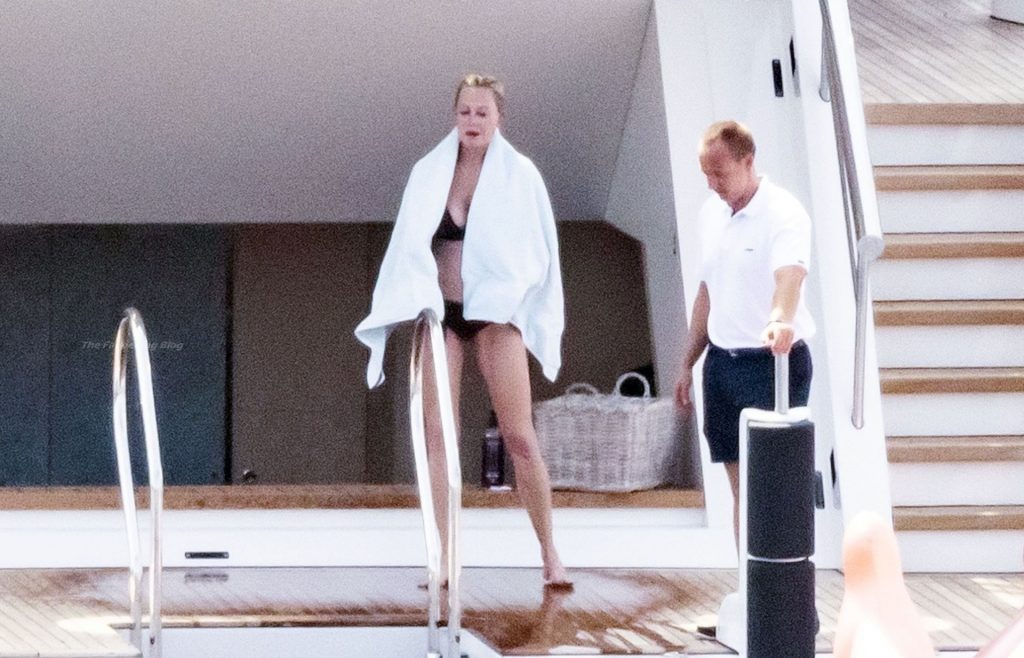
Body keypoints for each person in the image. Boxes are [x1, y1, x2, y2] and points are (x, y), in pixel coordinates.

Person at [355, 74, 570, 587]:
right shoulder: (429, 172)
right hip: (442, 313)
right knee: (438, 436)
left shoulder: (521, 175)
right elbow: (408, 246)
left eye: (482, 112)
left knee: (519, 436)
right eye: (465, 112)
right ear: (455, 116)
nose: (472, 121)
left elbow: (540, 251)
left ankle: (550, 553)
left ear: (499, 118)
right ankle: (443, 557)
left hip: (495, 314)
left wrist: (515, 298)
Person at [674, 120, 815, 548]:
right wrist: (687, 362)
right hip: (722, 364)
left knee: (769, 488)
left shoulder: (783, 212)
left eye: (720, 173)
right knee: (742, 492)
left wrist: (779, 319)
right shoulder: (710, 214)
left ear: (747, 161)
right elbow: (708, 291)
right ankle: (749, 582)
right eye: (706, 175)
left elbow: (789, 276)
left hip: (772, 363)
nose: (712, 184)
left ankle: (783, 581)